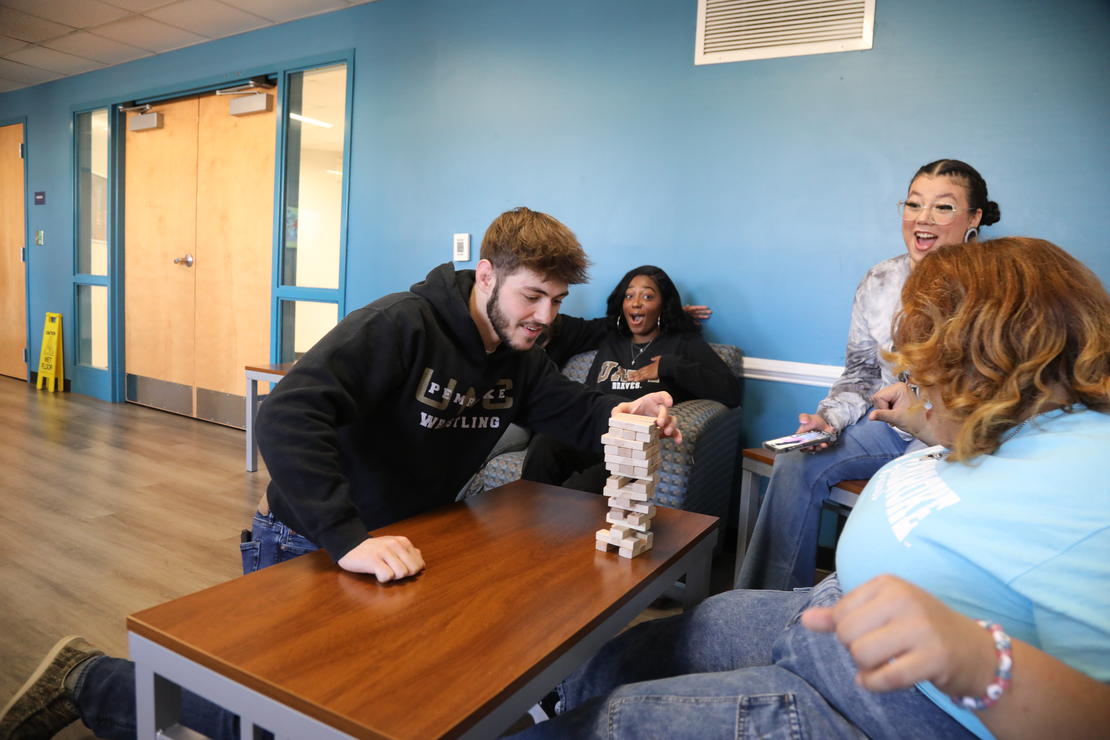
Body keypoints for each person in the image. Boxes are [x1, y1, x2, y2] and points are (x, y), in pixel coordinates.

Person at [0, 206, 684, 739]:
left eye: (558, 302)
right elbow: (285, 417)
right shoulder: (401, 325)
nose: (545, 317)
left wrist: (631, 408)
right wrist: (348, 537)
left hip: (407, 541)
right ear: (486, 275)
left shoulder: (519, 355)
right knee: (280, 727)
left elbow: (571, 412)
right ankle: (86, 679)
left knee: (385, 706)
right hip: (314, 538)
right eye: (534, 296)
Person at [510, 237, 1110, 739]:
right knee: (648, 644)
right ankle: (557, 700)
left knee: (620, 722)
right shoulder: (1004, 419)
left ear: (995, 354)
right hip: (827, 610)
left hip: (876, 702)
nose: (913, 371)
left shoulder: (1091, 478)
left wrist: (979, 661)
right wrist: (925, 419)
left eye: (931, 357)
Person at [736, 158, 1001, 590]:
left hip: (958, 439)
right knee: (797, 459)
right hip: (887, 427)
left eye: (943, 208)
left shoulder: (999, 288)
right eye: (914, 204)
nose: (923, 219)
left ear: (974, 218)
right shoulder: (880, 281)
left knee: (907, 499)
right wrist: (830, 419)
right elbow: (860, 373)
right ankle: (767, 604)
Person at [522, 265, 741, 492]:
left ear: (662, 305)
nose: (636, 303)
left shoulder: (682, 342)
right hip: (598, 433)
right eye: (629, 296)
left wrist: (669, 365)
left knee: (581, 488)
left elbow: (730, 390)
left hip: (633, 447)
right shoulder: (611, 333)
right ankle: (527, 511)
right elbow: (558, 327)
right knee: (545, 444)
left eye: (647, 296)